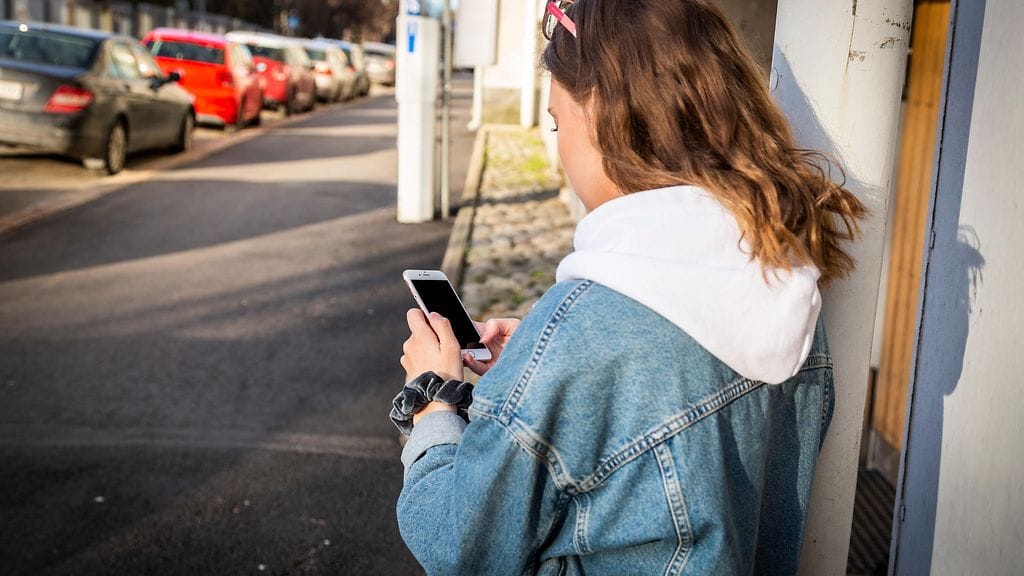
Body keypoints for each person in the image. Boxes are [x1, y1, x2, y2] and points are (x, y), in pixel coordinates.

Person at [391, 0, 866, 574]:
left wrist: (432, 398)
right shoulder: (784, 276)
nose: (561, 144)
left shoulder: (580, 333)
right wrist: (533, 369)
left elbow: (457, 545)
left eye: (557, 122)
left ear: (603, 116)